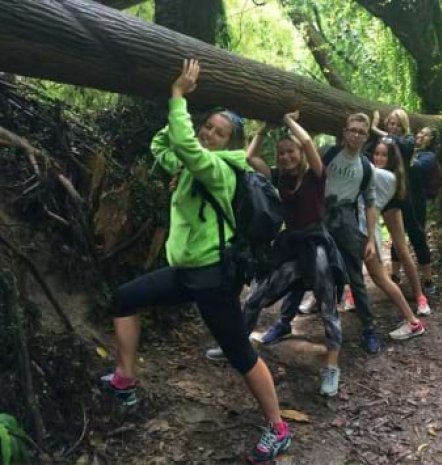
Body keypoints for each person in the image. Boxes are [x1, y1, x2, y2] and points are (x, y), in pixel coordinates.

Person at [100, 59, 291, 464]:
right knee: (123, 299)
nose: (209, 135)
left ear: (230, 143)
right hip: (185, 272)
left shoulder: (219, 170)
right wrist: (178, 120)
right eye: (207, 127)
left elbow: (186, 148)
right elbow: (161, 146)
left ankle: (277, 427)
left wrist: (177, 95)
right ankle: (125, 379)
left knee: (240, 353)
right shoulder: (192, 166)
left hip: (212, 279)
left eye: (218, 133)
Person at [237, 111, 345, 396]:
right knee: (257, 296)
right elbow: (249, 158)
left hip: (316, 246)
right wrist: (263, 127)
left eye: (291, 152)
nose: (286, 157)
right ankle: (236, 345)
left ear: (301, 153)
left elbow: (308, 141)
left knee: (327, 306)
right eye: (282, 153)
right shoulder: (278, 178)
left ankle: (332, 368)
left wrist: (285, 119)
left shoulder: (316, 175)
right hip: (291, 247)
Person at [262, 113, 382, 353]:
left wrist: (370, 237)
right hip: (317, 214)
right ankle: (284, 322)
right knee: (302, 266)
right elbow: (303, 151)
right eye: (352, 129)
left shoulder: (367, 167)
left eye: (361, 131)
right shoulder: (328, 152)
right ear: (344, 131)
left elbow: (370, 203)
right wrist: (290, 121)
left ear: (367, 136)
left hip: (345, 219)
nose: (356, 135)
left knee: (354, 275)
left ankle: (369, 327)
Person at [363, 138, 430, 339]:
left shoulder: (388, 176)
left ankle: (419, 298)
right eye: (376, 154)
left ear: (392, 158)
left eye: (384, 155)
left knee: (401, 249)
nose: (379, 158)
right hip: (371, 210)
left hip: (392, 205)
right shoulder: (374, 173)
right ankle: (349, 296)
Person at [371, 109, 435, 294]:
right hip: (389, 196)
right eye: (391, 123)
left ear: (404, 126)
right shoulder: (384, 144)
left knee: (416, 235)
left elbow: (402, 145)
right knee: (396, 238)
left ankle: (428, 278)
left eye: (398, 124)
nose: (394, 128)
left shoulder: (407, 141)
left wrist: (375, 128)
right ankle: (395, 274)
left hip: (410, 198)